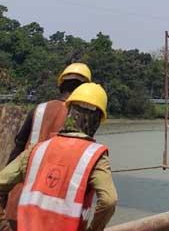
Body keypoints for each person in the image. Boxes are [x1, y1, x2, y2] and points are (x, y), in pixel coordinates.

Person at [0, 82, 117, 231]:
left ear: (68, 111)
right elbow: (109, 201)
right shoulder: (96, 157)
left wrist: (4, 227)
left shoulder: (36, 150)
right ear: (99, 120)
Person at [3, 63, 93, 228]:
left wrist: (4, 197)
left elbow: (17, 149)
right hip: (51, 211)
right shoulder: (82, 119)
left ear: (61, 85)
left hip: (18, 200)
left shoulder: (38, 109)